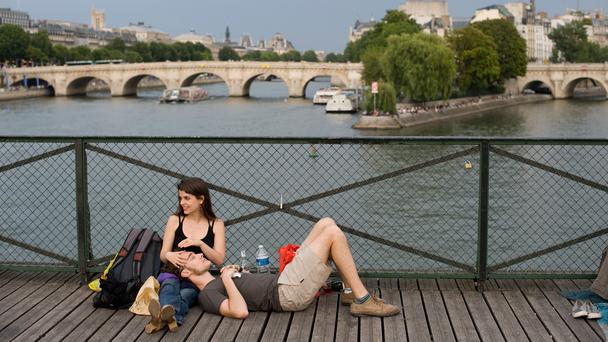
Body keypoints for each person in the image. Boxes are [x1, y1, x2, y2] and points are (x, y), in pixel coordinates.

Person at [180, 218, 400, 318]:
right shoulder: (207, 294)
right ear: (186, 273)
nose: (199, 255)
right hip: (287, 294)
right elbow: (239, 311)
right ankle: (362, 300)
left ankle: (351, 293)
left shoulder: (219, 278)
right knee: (333, 235)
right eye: (191, 257)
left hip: (284, 280)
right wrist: (228, 279)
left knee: (326, 223)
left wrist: (237, 275)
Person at [146, 177, 225, 333]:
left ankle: (162, 317)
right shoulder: (175, 220)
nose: (182, 202)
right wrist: (170, 256)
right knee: (169, 287)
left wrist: (200, 243)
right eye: (180, 198)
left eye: (187, 198)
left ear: (201, 199)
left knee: (186, 296)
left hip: (196, 280)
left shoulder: (216, 224)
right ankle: (173, 318)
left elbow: (219, 260)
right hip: (172, 272)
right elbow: (163, 253)